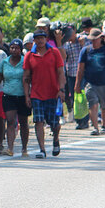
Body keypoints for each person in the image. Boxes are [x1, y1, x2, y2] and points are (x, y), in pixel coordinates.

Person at [23, 30, 66, 158]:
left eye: (42, 38)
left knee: (55, 123)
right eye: (37, 38)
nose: (40, 41)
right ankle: (42, 149)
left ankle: (56, 140)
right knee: (39, 121)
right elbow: (25, 76)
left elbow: (60, 73)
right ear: (34, 41)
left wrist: (61, 89)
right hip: (36, 93)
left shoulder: (54, 53)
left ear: (46, 39)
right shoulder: (30, 56)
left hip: (53, 93)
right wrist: (27, 95)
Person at [74, 29, 105, 136]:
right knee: (93, 104)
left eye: (96, 39)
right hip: (90, 83)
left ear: (101, 39)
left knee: (104, 105)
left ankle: (104, 126)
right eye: (92, 40)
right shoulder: (85, 51)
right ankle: (95, 127)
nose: (94, 42)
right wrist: (77, 84)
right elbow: (80, 69)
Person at [0, 39, 30, 156]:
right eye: (12, 48)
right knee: (10, 120)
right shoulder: (4, 62)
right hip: (8, 95)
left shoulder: (25, 61)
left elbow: (29, 78)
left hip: (22, 95)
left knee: (23, 122)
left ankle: (24, 148)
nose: (14, 50)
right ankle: (10, 147)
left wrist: (28, 95)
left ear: (21, 49)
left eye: (17, 48)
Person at [62, 26, 83, 125]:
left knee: (84, 94)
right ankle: (75, 114)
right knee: (73, 95)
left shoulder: (81, 39)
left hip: (82, 72)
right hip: (70, 72)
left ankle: (85, 115)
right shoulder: (66, 44)